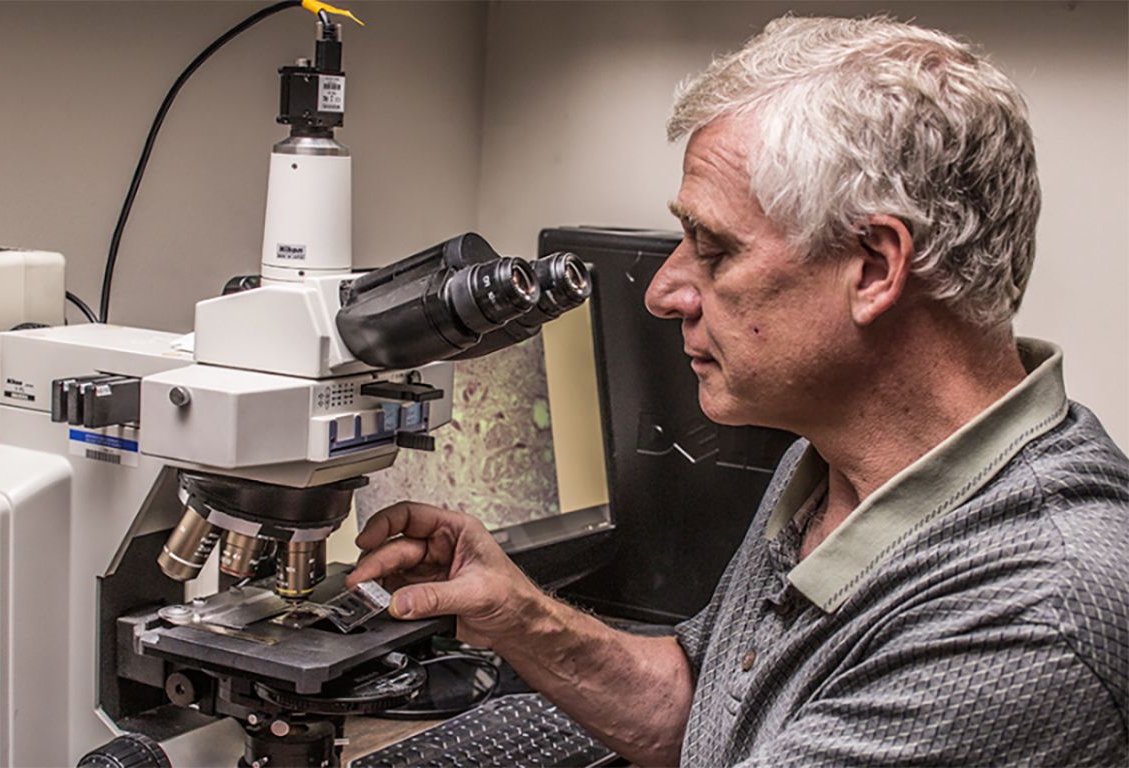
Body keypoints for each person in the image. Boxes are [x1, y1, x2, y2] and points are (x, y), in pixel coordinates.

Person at [347, 16, 1129, 766]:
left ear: (875, 267)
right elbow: (710, 715)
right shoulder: (834, 463)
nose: (663, 292)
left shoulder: (1024, 618)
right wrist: (519, 615)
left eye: (713, 248)